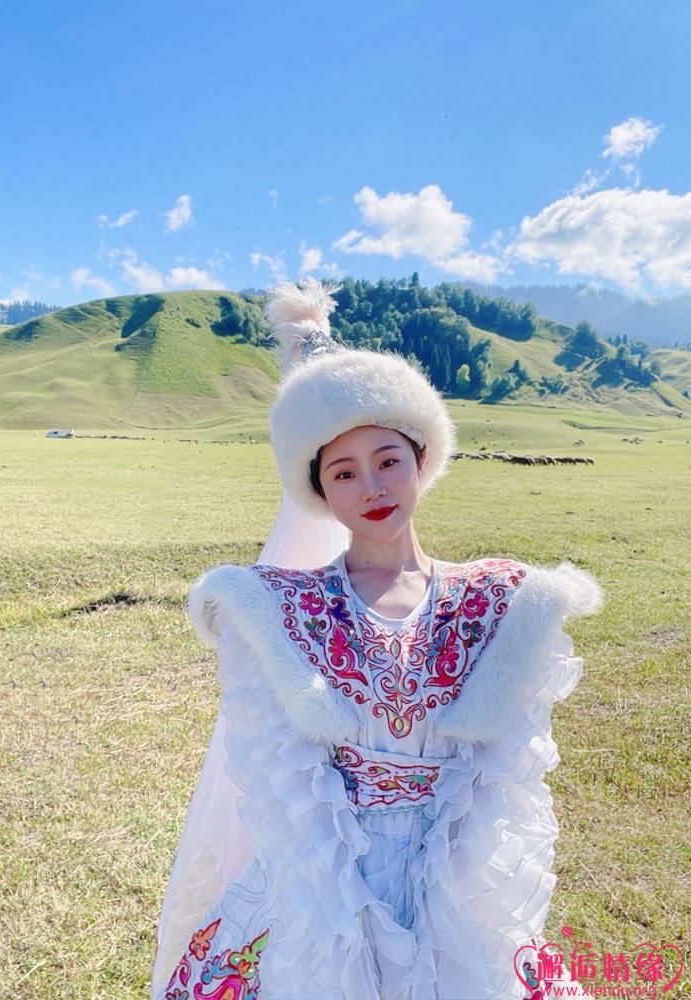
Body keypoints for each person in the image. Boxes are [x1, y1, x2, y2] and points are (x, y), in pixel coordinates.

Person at [151, 278, 604, 1000]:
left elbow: (501, 773)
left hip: (454, 879)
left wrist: (452, 879)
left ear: (422, 459)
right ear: (320, 492)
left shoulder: (495, 599)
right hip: (321, 891)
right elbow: (283, 780)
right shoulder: (286, 607)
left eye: (388, 459)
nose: (372, 486)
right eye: (344, 471)